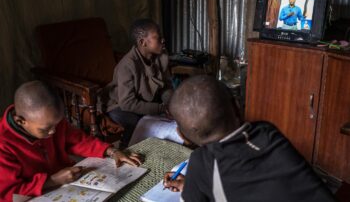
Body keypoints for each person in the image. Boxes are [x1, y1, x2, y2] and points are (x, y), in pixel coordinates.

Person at [163, 75, 336, 202]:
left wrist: (194, 187)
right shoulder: (268, 132)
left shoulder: (201, 163)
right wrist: (194, 185)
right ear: (237, 106)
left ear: (185, 136)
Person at [0, 81, 142, 201]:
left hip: (69, 182)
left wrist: (112, 151)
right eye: (45, 129)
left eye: (56, 124)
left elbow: (77, 140)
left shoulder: (50, 121)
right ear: (21, 121)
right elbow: (9, 193)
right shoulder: (3, 144)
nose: (53, 132)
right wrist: (52, 181)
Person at [103, 18, 173, 147]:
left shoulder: (161, 56)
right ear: (143, 42)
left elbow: (166, 85)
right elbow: (127, 103)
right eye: (158, 37)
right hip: (120, 105)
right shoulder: (127, 66)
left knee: (173, 117)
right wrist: (160, 108)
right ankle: (125, 151)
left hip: (145, 102)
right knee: (137, 124)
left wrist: (170, 104)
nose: (163, 40)